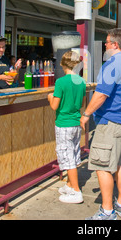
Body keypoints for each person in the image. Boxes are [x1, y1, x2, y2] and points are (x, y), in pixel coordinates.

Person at [80, 29, 121, 220]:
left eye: (107, 42)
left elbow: (101, 94)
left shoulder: (112, 65)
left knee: (103, 166)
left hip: (111, 121)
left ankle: (107, 211)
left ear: (115, 44)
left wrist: (86, 114)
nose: (105, 45)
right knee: (120, 163)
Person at [48, 51, 86, 204]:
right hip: (76, 122)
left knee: (67, 157)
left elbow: (54, 106)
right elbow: (82, 104)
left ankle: (76, 191)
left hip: (64, 123)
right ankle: (70, 185)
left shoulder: (61, 82)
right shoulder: (81, 81)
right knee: (74, 153)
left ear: (62, 64)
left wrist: (50, 97)